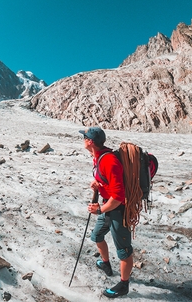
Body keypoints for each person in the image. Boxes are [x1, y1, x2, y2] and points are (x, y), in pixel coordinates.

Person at [79, 126, 132, 298]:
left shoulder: (109, 161)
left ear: (90, 142)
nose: (83, 140)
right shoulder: (98, 157)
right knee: (97, 236)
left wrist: (100, 209)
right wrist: (98, 184)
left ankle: (124, 285)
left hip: (118, 210)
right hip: (109, 207)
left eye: (84, 137)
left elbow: (118, 197)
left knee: (124, 250)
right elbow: (108, 182)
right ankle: (106, 264)